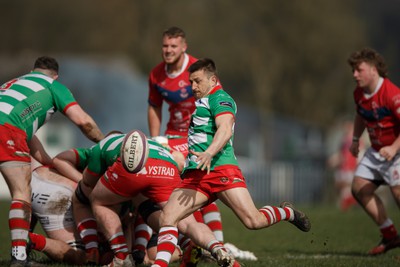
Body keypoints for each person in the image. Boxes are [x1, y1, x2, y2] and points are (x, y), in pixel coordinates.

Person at [150, 58, 311, 267]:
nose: (193, 87)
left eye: (197, 81)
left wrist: (209, 153)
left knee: (253, 221)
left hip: (221, 170)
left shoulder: (221, 98)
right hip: (196, 176)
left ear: (213, 79)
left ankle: (288, 212)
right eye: (191, 82)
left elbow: (224, 129)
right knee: (168, 217)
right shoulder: (201, 102)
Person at [147, 27, 251, 264]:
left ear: (184, 47)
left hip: (197, 139)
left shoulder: (199, 71)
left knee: (192, 172)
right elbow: (154, 106)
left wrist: (215, 143)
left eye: (173, 46)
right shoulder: (156, 74)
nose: (168, 50)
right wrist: (155, 139)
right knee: (152, 164)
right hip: (173, 134)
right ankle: (187, 241)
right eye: (165, 46)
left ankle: (215, 242)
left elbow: (219, 99)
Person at [0, 56, 104, 267]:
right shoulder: (53, 86)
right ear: (56, 75)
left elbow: (28, 134)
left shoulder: (14, 83)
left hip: (8, 126)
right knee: (22, 192)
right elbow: (84, 122)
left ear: (33, 70)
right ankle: (20, 258)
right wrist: (105, 144)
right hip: (7, 130)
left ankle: (24, 244)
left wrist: (47, 161)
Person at [348, 47, 400, 255]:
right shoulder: (359, 94)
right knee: (359, 189)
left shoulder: (392, 94)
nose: (355, 75)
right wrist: (355, 139)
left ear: (373, 69)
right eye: (353, 70)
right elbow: (361, 114)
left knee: (397, 193)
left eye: (359, 70)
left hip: (396, 151)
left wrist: (394, 147)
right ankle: (390, 236)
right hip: (377, 151)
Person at [327, 120, 362, 211]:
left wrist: (358, 165)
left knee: (346, 185)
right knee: (339, 185)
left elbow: (360, 154)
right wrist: (334, 160)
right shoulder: (344, 141)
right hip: (343, 168)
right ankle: (349, 201)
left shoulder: (357, 140)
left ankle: (350, 201)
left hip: (351, 168)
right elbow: (341, 154)